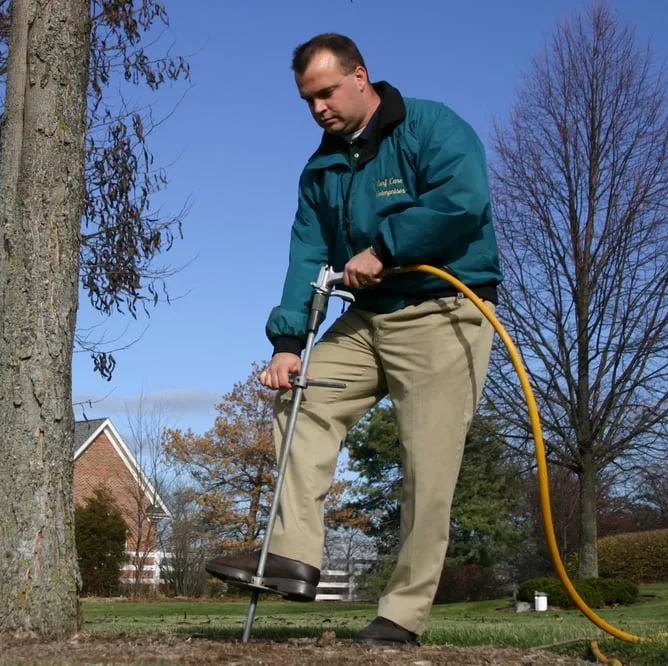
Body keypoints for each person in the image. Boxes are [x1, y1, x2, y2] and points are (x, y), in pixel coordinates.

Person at [204, 33, 503, 646]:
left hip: (443, 314)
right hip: (366, 320)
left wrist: (385, 248)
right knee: (303, 393)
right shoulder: (321, 169)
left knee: (427, 470)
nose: (318, 109)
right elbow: (307, 252)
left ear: (360, 77)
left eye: (326, 92)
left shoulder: (431, 128)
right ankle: (292, 558)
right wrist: (287, 343)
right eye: (307, 100)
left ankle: (401, 617)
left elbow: (462, 200)